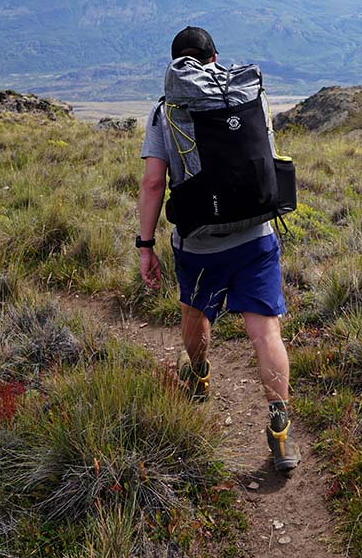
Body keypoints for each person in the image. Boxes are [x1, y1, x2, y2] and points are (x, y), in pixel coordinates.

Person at [136, 26, 300, 471]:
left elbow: (153, 182)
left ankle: (200, 375)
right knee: (266, 333)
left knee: (196, 313)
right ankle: (281, 432)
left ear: (175, 65)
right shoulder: (249, 97)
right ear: (214, 60)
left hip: (200, 243)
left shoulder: (167, 110)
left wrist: (145, 244)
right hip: (257, 235)